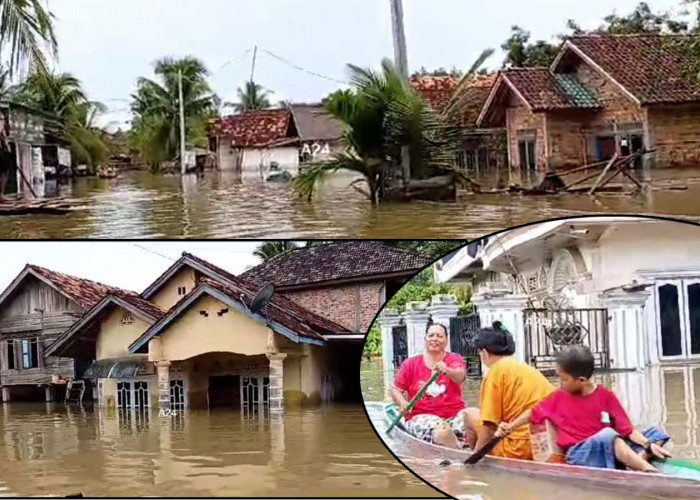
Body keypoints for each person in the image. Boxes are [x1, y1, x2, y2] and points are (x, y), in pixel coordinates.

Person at [497, 345, 672, 472]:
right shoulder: (558, 397)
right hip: (580, 453)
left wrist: (648, 445)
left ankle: (638, 458)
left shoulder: (606, 397)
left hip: (609, 445)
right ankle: (647, 469)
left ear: (582, 380)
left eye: (564, 379)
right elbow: (532, 413)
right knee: (608, 434)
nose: (560, 383)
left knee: (655, 434)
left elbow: (627, 430)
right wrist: (509, 427)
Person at [462, 325, 554, 459]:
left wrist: (474, 457)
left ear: (484, 353)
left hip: (517, 448)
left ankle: (483, 460)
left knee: (469, 414)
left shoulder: (495, 372)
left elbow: (489, 425)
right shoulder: (527, 368)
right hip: (546, 443)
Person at [392, 323, 467, 448]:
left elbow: (460, 376)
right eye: (431, 335)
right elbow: (396, 389)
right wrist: (402, 403)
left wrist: (447, 370)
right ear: (425, 339)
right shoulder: (411, 364)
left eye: (440, 336)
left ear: (446, 340)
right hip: (421, 416)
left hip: (454, 415)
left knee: (475, 416)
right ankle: (457, 452)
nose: (435, 339)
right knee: (443, 431)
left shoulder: (455, 360)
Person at [0, 113, 13, 202]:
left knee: (4, 171)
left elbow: (5, 138)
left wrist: (7, 148)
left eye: (3, 120)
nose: (3, 122)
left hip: (2, 150)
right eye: (1, 120)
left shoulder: (3, 129)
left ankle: (1, 194)